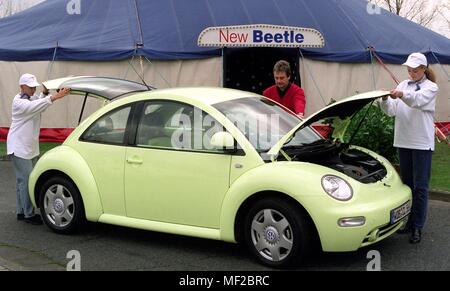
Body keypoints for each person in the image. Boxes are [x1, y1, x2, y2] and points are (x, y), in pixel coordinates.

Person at [380, 52, 438, 244]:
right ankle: (408, 222)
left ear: (423, 69)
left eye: (415, 70)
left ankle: (417, 227)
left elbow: (417, 101)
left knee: (420, 187)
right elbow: (391, 112)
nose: (411, 73)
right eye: (409, 70)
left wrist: (402, 94)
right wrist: (385, 100)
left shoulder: (432, 87)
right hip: (403, 141)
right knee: (407, 185)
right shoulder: (403, 85)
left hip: (421, 143)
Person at [7, 73, 70, 225]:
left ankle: (21, 212)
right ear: (22, 87)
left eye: (34, 86)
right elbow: (36, 106)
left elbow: (39, 102)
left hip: (28, 147)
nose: (33, 89)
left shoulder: (31, 98)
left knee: (22, 181)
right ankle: (29, 215)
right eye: (30, 87)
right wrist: (56, 97)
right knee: (26, 181)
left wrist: (46, 93)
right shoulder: (19, 102)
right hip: (18, 147)